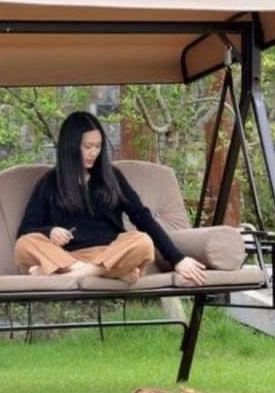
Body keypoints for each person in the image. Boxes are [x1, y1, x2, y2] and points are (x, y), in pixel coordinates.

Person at [14, 111, 206, 285]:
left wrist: (178, 259)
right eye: (88, 146)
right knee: (24, 244)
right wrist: (50, 231)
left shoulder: (111, 176)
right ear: (70, 146)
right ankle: (106, 273)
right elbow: (25, 231)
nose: (94, 153)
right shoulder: (49, 182)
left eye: (98, 146)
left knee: (143, 242)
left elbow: (142, 217)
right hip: (67, 257)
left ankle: (71, 275)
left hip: (111, 252)